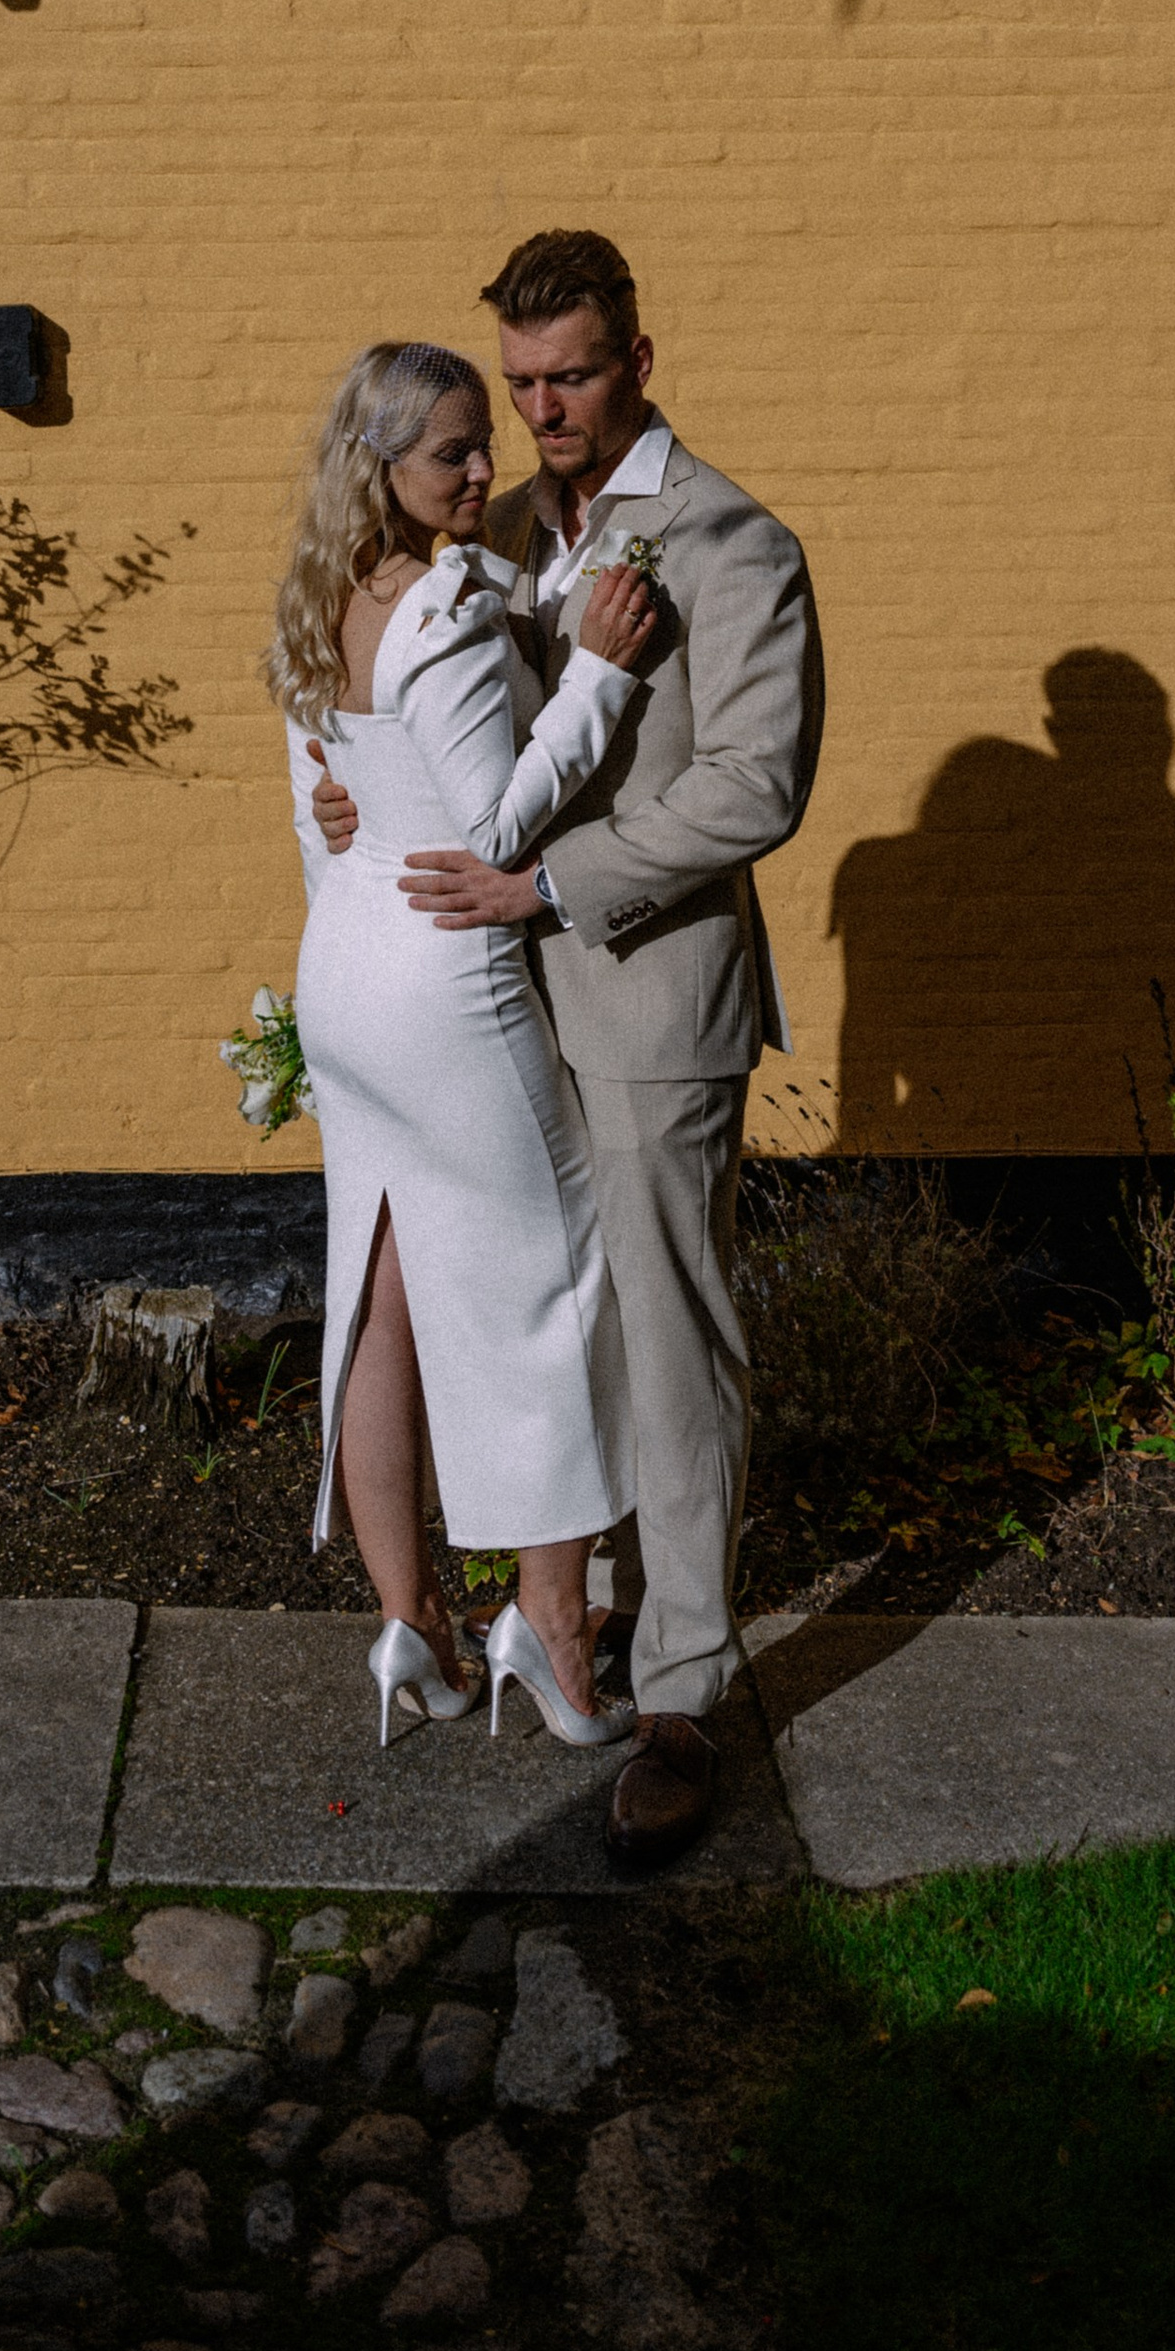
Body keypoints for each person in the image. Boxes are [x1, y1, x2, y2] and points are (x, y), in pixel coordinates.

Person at [311, 234, 822, 1867]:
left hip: (656, 1003)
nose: (540, 411)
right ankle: (567, 1621)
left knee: (669, 1344)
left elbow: (754, 785)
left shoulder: (734, 543)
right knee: (549, 1327)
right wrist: (361, 787)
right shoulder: (505, 530)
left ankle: (678, 1697)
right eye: (519, 385)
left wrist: (550, 882)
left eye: (573, 377)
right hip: (499, 1011)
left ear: (640, 359)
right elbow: (469, 738)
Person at [269, 339, 660, 1752]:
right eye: (454, 453)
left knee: (381, 1298)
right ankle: (552, 1633)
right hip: (445, 983)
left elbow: (322, 812)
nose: (486, 469)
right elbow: (496, 825)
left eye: (486, 441)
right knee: (551, 1287)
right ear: (386, 467)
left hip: (347, 973)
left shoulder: (323, 602)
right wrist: (601, 676)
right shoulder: (437, 611)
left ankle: (409, 1625)